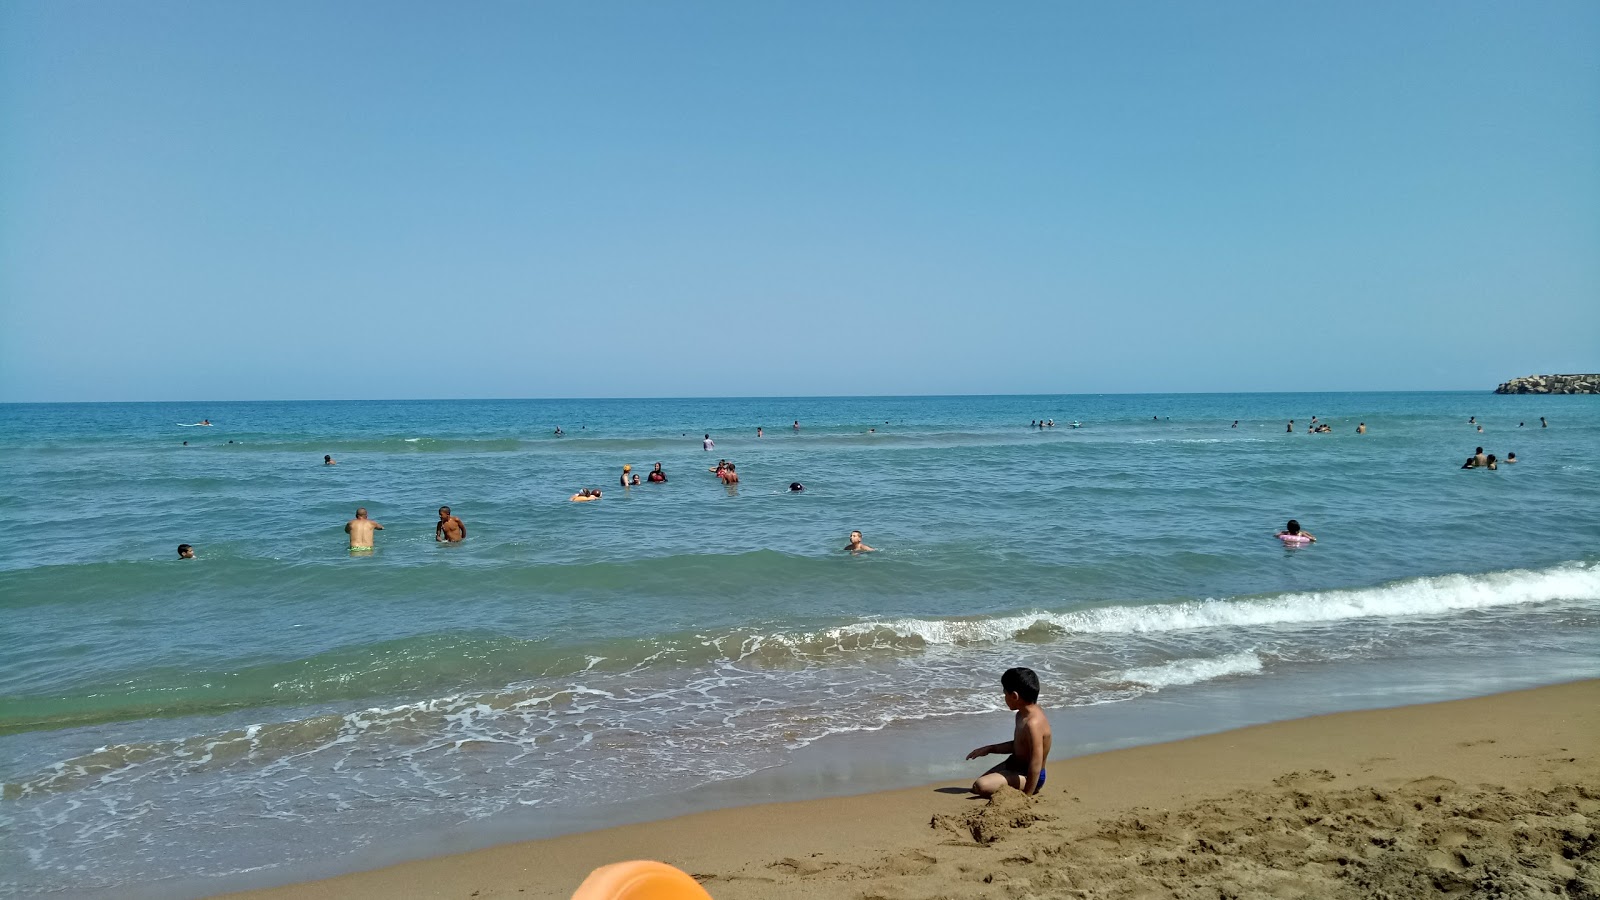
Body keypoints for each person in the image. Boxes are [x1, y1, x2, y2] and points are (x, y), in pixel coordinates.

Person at [966, 667, 1052, 797]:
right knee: (976, 786)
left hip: (1029, 775)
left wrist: (1026, 796)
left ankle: (1031, 788)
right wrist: (990, 749)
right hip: (1013, 764)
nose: (1004, 697)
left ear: (1014, 696)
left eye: (1005, 694)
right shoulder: (1021, 715)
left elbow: (1036, 763)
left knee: (981, 785)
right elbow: (1019, 745)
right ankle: (1010, 777)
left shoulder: (1033, 724)